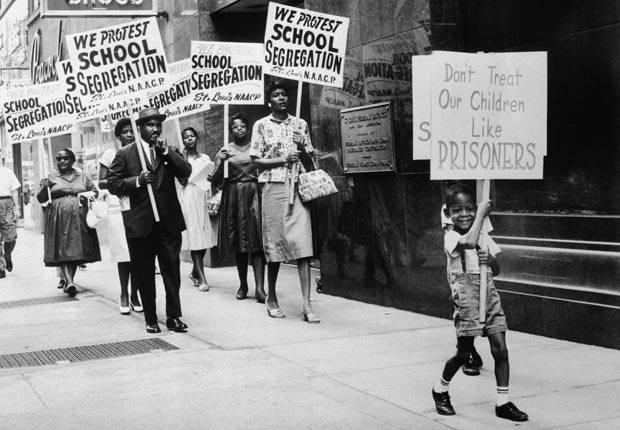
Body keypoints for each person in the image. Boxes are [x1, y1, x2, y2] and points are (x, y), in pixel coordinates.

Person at [431, 184, 528, 422]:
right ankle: (440, 389)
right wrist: (482, 213)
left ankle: (503, 402)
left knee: (501, 349)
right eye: (457, 210)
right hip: (467, 298)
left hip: (489, 295)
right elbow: (468, 241)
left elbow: (495, 269)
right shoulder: (452, 237)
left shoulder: (483, 235)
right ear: (448, 213)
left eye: (469, 209)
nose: (464, 214)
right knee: (464, 355)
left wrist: (490, 259)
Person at [107, 107, 192, 334]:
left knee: (171, 271)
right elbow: (113, 183)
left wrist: (168, 154)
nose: (154, 129)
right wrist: (136, 180)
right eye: (149, 125)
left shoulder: (167, 151)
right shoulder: (126, 154)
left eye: (157, 125)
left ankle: (174, 316)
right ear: (139, 128)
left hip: (168, 223)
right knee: (144, 273)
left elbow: (185, 171)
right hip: (141, 224)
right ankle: (151, 318)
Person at [249, 81, 318, 323]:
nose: (282, 98)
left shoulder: (300, 124)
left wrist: (305, 149)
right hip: (274, 187)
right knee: (275, 246)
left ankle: (307, 304)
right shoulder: (261, 125)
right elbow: (255, 161)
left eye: (284, 95)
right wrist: (282, 159)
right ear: (269, 101)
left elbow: (311, 159)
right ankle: (272, 297)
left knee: (303, 246)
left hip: (298, 188)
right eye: (276, 95)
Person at [212, 114, 266, 303]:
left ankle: (260, 288)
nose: (240, 129)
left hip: (254, 193)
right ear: (231, 130)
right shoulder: (225, 150)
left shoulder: (257, 146)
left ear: (248, 128)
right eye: (236, 127)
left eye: (243, 126)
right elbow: (215, 179)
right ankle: (243, 284)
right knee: (239, 243)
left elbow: (265, 168)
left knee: (258, 241)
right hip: (234, 195)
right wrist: (222, 162)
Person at [36, 148, 101, 295]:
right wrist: (44, 187)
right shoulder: (51, 177)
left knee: (76, 248)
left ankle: (69, 280)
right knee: (63, 247)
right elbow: (41, 199)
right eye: (59, 159)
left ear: (72, 161)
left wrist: (87, 195)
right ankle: (70, 282)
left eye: (65, 158)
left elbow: (95, 191)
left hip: (79, 215)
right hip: (59, 216)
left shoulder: (82, 176)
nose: (62, 161)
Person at [98, 118, 143, 315]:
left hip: (139, 206)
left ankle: (135, 294)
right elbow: (101, 182)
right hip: (118, 206)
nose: (130, 135)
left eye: (132, 131)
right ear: (118, 135)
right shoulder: (110, 154)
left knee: (139, 253)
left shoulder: (141, 152)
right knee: (123, 253)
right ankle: (124, 293)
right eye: (125, 132)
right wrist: (124, 182)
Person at [441, 204, 483, 376]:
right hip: (462, 276)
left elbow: (495, 266)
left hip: (479, 277)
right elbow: (458, 237)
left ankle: (468, 349)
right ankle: (466, 354)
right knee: (465, 316)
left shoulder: (475, 205)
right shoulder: (449, 206)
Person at [178, 127, 216, 292]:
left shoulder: (205, 158)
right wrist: (183, 162)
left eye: (192, 136)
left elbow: (210, 177)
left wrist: (209, 177)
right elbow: (182, 182)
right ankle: (202, 277)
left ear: (196, 138)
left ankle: (195, 271)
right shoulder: (180, 158)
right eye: (186, 137)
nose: (189, 139)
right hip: (188, 197)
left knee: (203, 236)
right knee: (194, 236)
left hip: (202, 196)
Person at [0, 163, 21, 278]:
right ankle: (1, 267)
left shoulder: (7, 172)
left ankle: (7, 254)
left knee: (11, 236)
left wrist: (17, 207)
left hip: (6, 203)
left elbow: (14, 190)